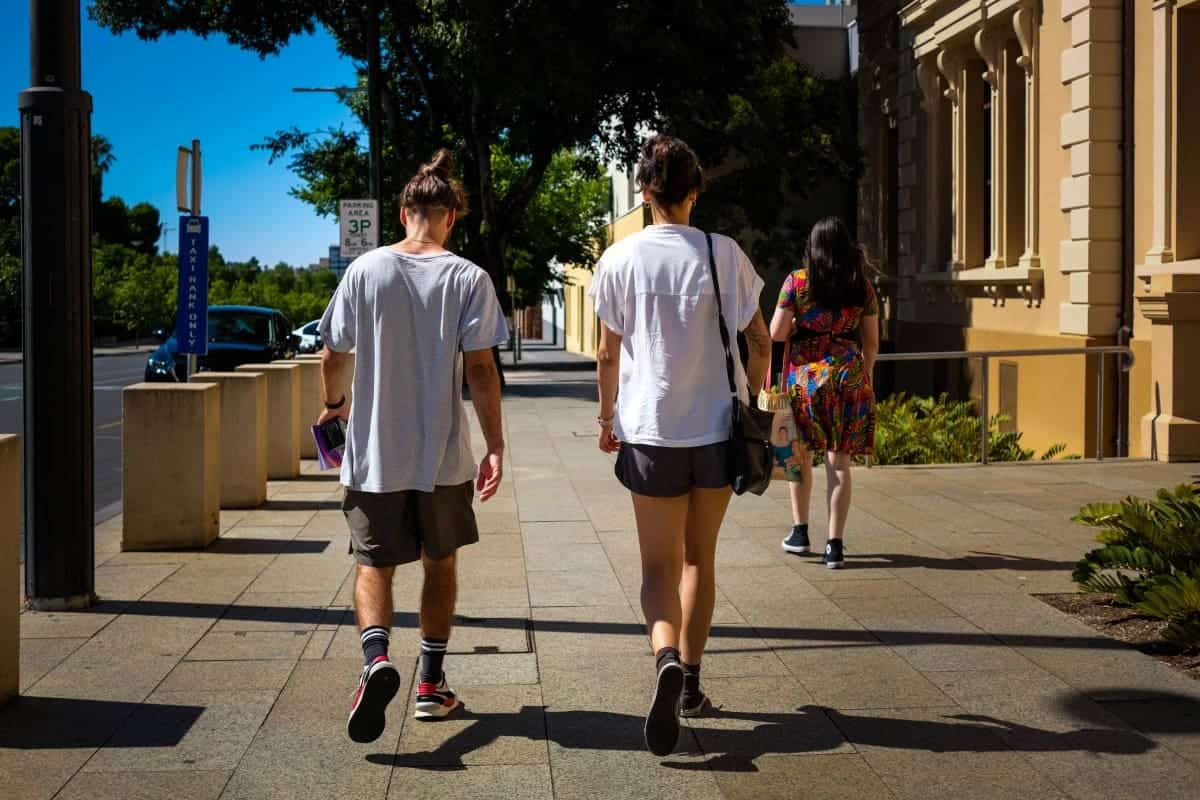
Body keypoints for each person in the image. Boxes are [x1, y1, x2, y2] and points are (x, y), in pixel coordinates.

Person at [317, 149, 509, 744]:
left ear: (404, 213)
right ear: (451, 216)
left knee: (373, 566)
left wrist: (334, 406)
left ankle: (376, 660)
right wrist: (494, 444)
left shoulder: (365, 272)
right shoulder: (468, 277)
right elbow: (480, 370)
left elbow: (333, 353)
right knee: (440, 564)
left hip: (374, 454)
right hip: (443, 458)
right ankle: (429, 684)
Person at [590, 134, 771, 756]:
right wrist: (758, 397)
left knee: (657, 568)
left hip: (649, 431)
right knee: (701, 560)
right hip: (718, 431)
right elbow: (760, 339)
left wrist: (605, 416)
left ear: (644, 193)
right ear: (695, 191)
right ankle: (691, 682)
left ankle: (664, 655)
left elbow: (608, 352)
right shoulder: (726, 254)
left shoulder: (620, 260)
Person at [769, 217, 879, 569]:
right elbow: (872, 342)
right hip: (849, 379)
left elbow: (776, 332)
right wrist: (865, 376)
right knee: (840, 462)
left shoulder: (798, 282)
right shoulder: (862, 287)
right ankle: (835, 545)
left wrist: (803, 325)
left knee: (799, 458)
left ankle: (800, 533)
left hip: (805, 382)